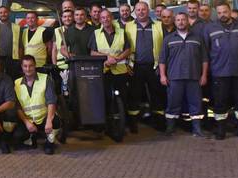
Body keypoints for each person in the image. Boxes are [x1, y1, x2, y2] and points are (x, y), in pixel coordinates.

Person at [204, 2, 238, 140]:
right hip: (220, 72)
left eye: (225, 12)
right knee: (220, 101)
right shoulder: (210, 28)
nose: (222, 15)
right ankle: (221, 130)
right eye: (219, 12)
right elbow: (205, 49)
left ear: (230, 11)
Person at [159, 12, 209, 137]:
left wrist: (204, 75)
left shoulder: (197, 38)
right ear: (174, 22)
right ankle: (170, 129)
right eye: (178, 20)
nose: (181, 22)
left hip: (194, 77)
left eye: (183, 20)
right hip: (174, 77)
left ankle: (197, 129)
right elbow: (162, 60)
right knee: (172, 103)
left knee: (196, 103)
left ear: (187, 21)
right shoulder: (168, 39)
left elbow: (204, 59)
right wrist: (162, 76)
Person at [89, 8, 131, 141]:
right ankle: (106, 125)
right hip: (104, 71)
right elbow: (93, 52)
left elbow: (128, 49)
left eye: (107, 17)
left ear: (111, 18)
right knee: (105, 99)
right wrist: (107, 57)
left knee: (122, 98)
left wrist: (117, 59)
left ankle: (122, 124)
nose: (105, 20)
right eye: (102, 18)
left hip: (120, 70)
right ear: (100, 20)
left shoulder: (122, 32)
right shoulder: (95, 33)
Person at [125, 1, 165, 133]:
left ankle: (159, 123)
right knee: (134, 95)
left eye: (143, 9)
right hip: (135, 66)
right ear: (134, 12)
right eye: (138, 10)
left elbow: (164, 47)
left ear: (148, 11)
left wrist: (161, 65)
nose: (141, 12)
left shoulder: (159, 25)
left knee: (157, 94)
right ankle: (133, 125)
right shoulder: (128, 26)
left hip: (154, 66)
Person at [14, 55, 61, 155]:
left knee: (56, 122)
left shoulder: (46, 79)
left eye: (31, 66)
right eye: (25, 66)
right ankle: (32, 139)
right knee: (18, 135)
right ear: (22, 67)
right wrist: (27, 122)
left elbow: (51, 101)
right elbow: (17, 107)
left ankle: (49, 142)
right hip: (29, 120)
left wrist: (49, 121)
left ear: (35, 66)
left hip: (44, 118)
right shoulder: (16, 83)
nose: (28, 69)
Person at [0, 6, 23, 78]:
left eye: (5, 12)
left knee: (14, 80)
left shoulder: (17, 27)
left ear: (8, 13)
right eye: (1, 13)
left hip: (13, 60)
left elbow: (20, 46)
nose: (3, 14)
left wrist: (20, 60)